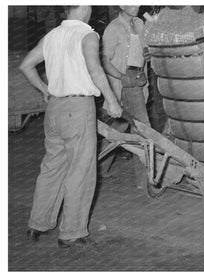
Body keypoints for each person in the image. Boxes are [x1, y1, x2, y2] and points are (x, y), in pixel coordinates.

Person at [19, 5, 123, 247]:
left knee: (52, 167)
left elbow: (25, 65)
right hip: (78, 109)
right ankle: (72, 232)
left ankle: (38, 224)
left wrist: (45, 91)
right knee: (81, 171)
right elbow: (94, 68)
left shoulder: (52, 35)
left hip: (54, 109)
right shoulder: (87, 34)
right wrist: (112, 100)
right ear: (84, 6)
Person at [98, 5, 150, 180]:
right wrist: (122, 77)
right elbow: (104, 60)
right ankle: (145, 179)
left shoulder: (140, 23)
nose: (137, 6)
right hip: (123, 81)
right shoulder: (113, 28)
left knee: (121, 127)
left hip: (138, 79)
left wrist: (147, 55)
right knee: (143, 129)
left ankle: (100, 168)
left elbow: (144, 49)